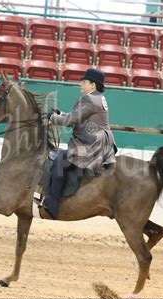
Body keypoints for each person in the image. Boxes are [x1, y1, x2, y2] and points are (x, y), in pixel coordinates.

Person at [41, 68, 117, 220]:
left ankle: (53, 203)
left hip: (92, 144)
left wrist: (52, 119)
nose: (80, 84)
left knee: (60, 162)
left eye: (83, 82)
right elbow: (76, 116)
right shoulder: (97, 97)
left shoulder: (90, 99)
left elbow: (71, 121)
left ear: (93, 85)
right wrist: (59, 114)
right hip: (101, 141)